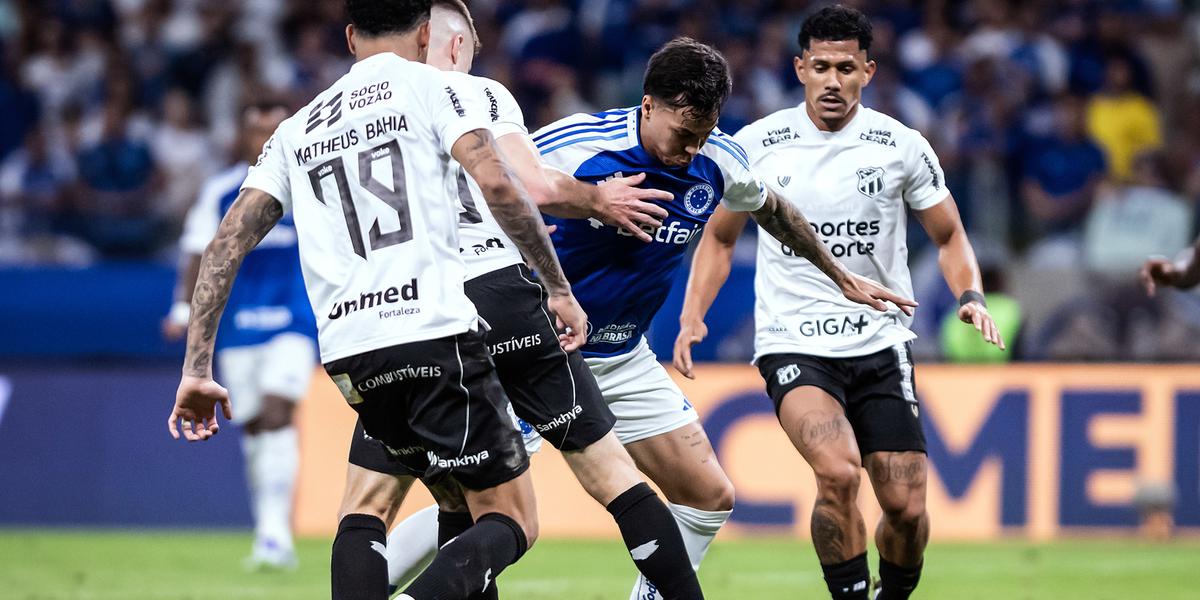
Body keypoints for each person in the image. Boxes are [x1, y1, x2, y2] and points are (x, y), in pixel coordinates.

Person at [165, 2, 587, 599]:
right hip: (434, 333)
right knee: (512, 518)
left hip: (352, 352)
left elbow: (225, 243)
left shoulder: (299, 126)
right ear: (423, 33)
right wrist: (558, 288)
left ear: (348, 36)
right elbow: (498, 183)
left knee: (383, 509)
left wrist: (195, 368)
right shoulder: (434, 88)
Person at [343, 2, 704, 598]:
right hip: (500, 291)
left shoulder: (350, 122)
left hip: (404, 313)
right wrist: (590, 213)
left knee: (389, 500)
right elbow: (527, 186)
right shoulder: (478, 95)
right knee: (597, 479)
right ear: (453, 47)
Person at [535, 36, 915, 600]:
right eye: (682, 134)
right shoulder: (576, 145)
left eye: (703, 134)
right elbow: (492, 186)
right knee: (493, 507)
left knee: (709, 496)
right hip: (537, 350)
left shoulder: (720, 158)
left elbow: (776, 211)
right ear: (647, 105)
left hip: (620, 354)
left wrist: (839, 275)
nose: (691, 150)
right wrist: (582, 205)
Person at [674, 6, 1003, 600]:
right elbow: (719, 238)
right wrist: (693, 313)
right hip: (794, 343)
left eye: (845, 68)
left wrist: (970, 296)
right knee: (837, 472)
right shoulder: (758, 146)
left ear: (868, 72)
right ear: (800, 68)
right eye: (820, 66)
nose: (832, 80)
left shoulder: (900, 146)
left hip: (881, 344)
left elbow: (950, 235)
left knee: (904, 506)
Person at [163, 99, 316, 571]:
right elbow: (198, 253)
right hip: (237, 326)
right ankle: (268, 530)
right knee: (251, 422)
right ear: (244, 136)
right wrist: (181, 307)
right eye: (259, 130)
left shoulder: (312, 187)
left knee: (276, 412)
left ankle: (276, 536)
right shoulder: (222, 191)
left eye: (276, 129)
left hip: (294, 320)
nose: (268, 139)